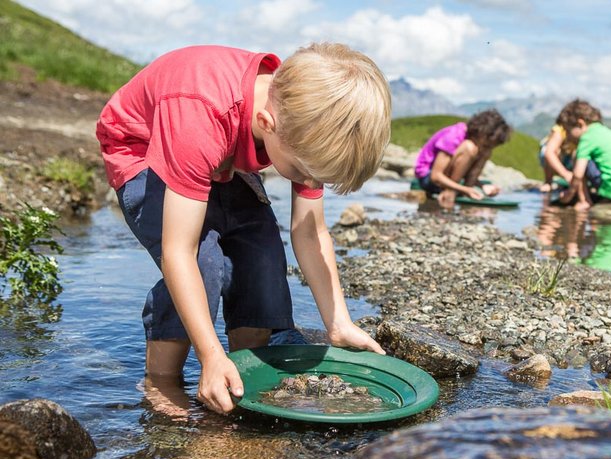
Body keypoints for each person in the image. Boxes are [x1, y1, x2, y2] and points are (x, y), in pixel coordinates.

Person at [96, 43, 391, 414]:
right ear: (268, 125)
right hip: (143, 146)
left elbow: (310, 231)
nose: (307, 182)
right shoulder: (200, 110)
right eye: (302, 173)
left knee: (262, 254)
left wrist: (338, 322)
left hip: (221, 152)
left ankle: (246, 371)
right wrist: (209, 355)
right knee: (204, 264)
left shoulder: (306, 118)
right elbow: (178, 251)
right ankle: (162, 381)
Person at [413, 109, 511, 207]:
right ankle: (451, 191)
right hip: (428, 178)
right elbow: (436, 176)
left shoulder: (478, 145)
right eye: (486, 145)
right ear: (481, 133)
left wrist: (482, 186)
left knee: (485, 153)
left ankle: (465, 190)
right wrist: (464, 190)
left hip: (450, 180)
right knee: (469, 148)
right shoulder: (454, 136)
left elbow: (462, 172)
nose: (486, 148)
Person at [556, 99, 611, 209]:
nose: (567, 135)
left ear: (580, 124)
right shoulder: (609, 133)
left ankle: (584, 201)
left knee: (577, 155)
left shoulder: (587, 137)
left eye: (567, 130)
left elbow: (578, 174)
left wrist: (568, 195)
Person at [538, 122, 577, 192]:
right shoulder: (559, 130)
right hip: (554, 159)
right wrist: (566, 175)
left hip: (570, 159)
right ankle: (548, 181)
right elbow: (549, 153)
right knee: (554, 151)